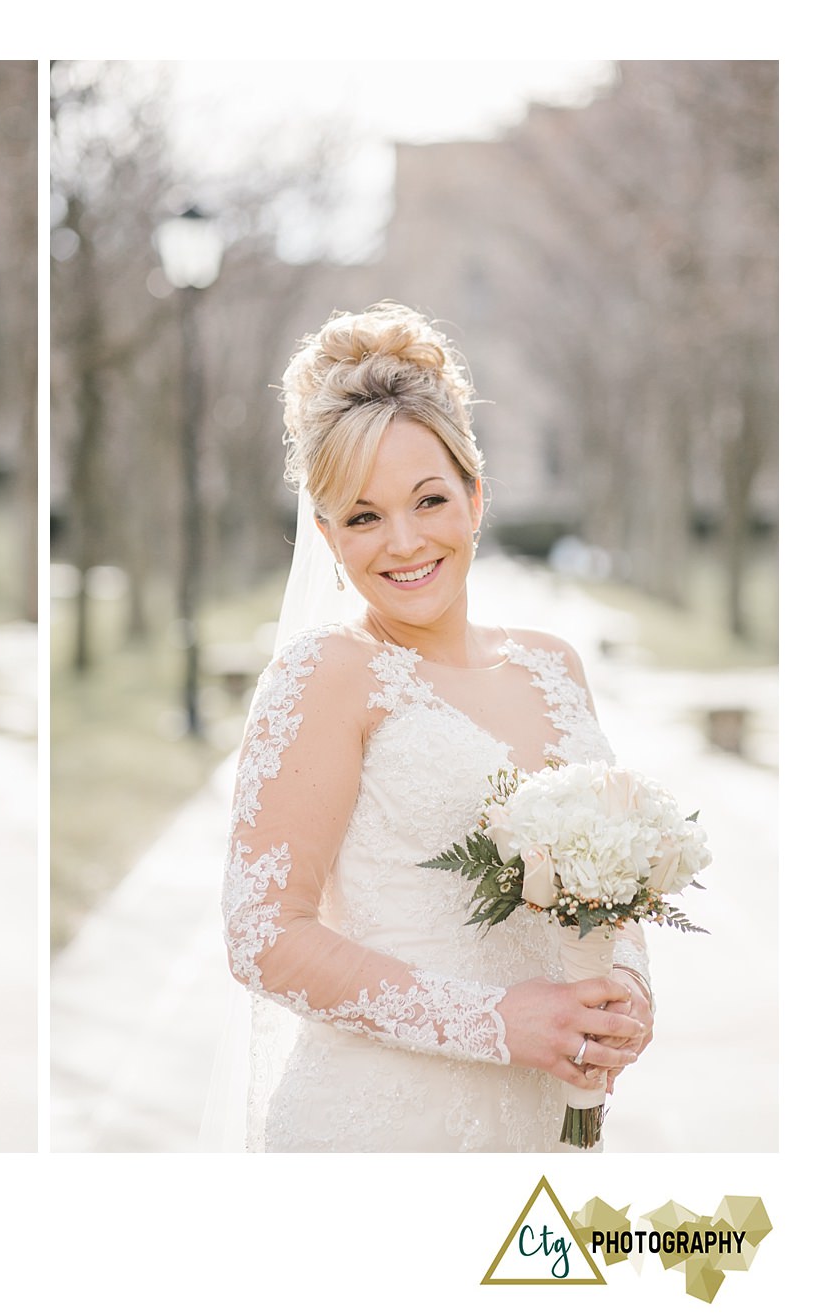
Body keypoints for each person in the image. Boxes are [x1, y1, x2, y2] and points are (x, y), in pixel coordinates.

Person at [221, 303, 655, 1151]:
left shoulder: (553, 666)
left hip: (543, 1125)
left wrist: (628, 993)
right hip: (384, 1125)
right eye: (363, 515)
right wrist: (496, 1022)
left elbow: (619, 876)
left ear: (476, 496)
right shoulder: (324, 677)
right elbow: (263, 935)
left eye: (429, 499)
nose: (405, 541)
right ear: (326, 535)